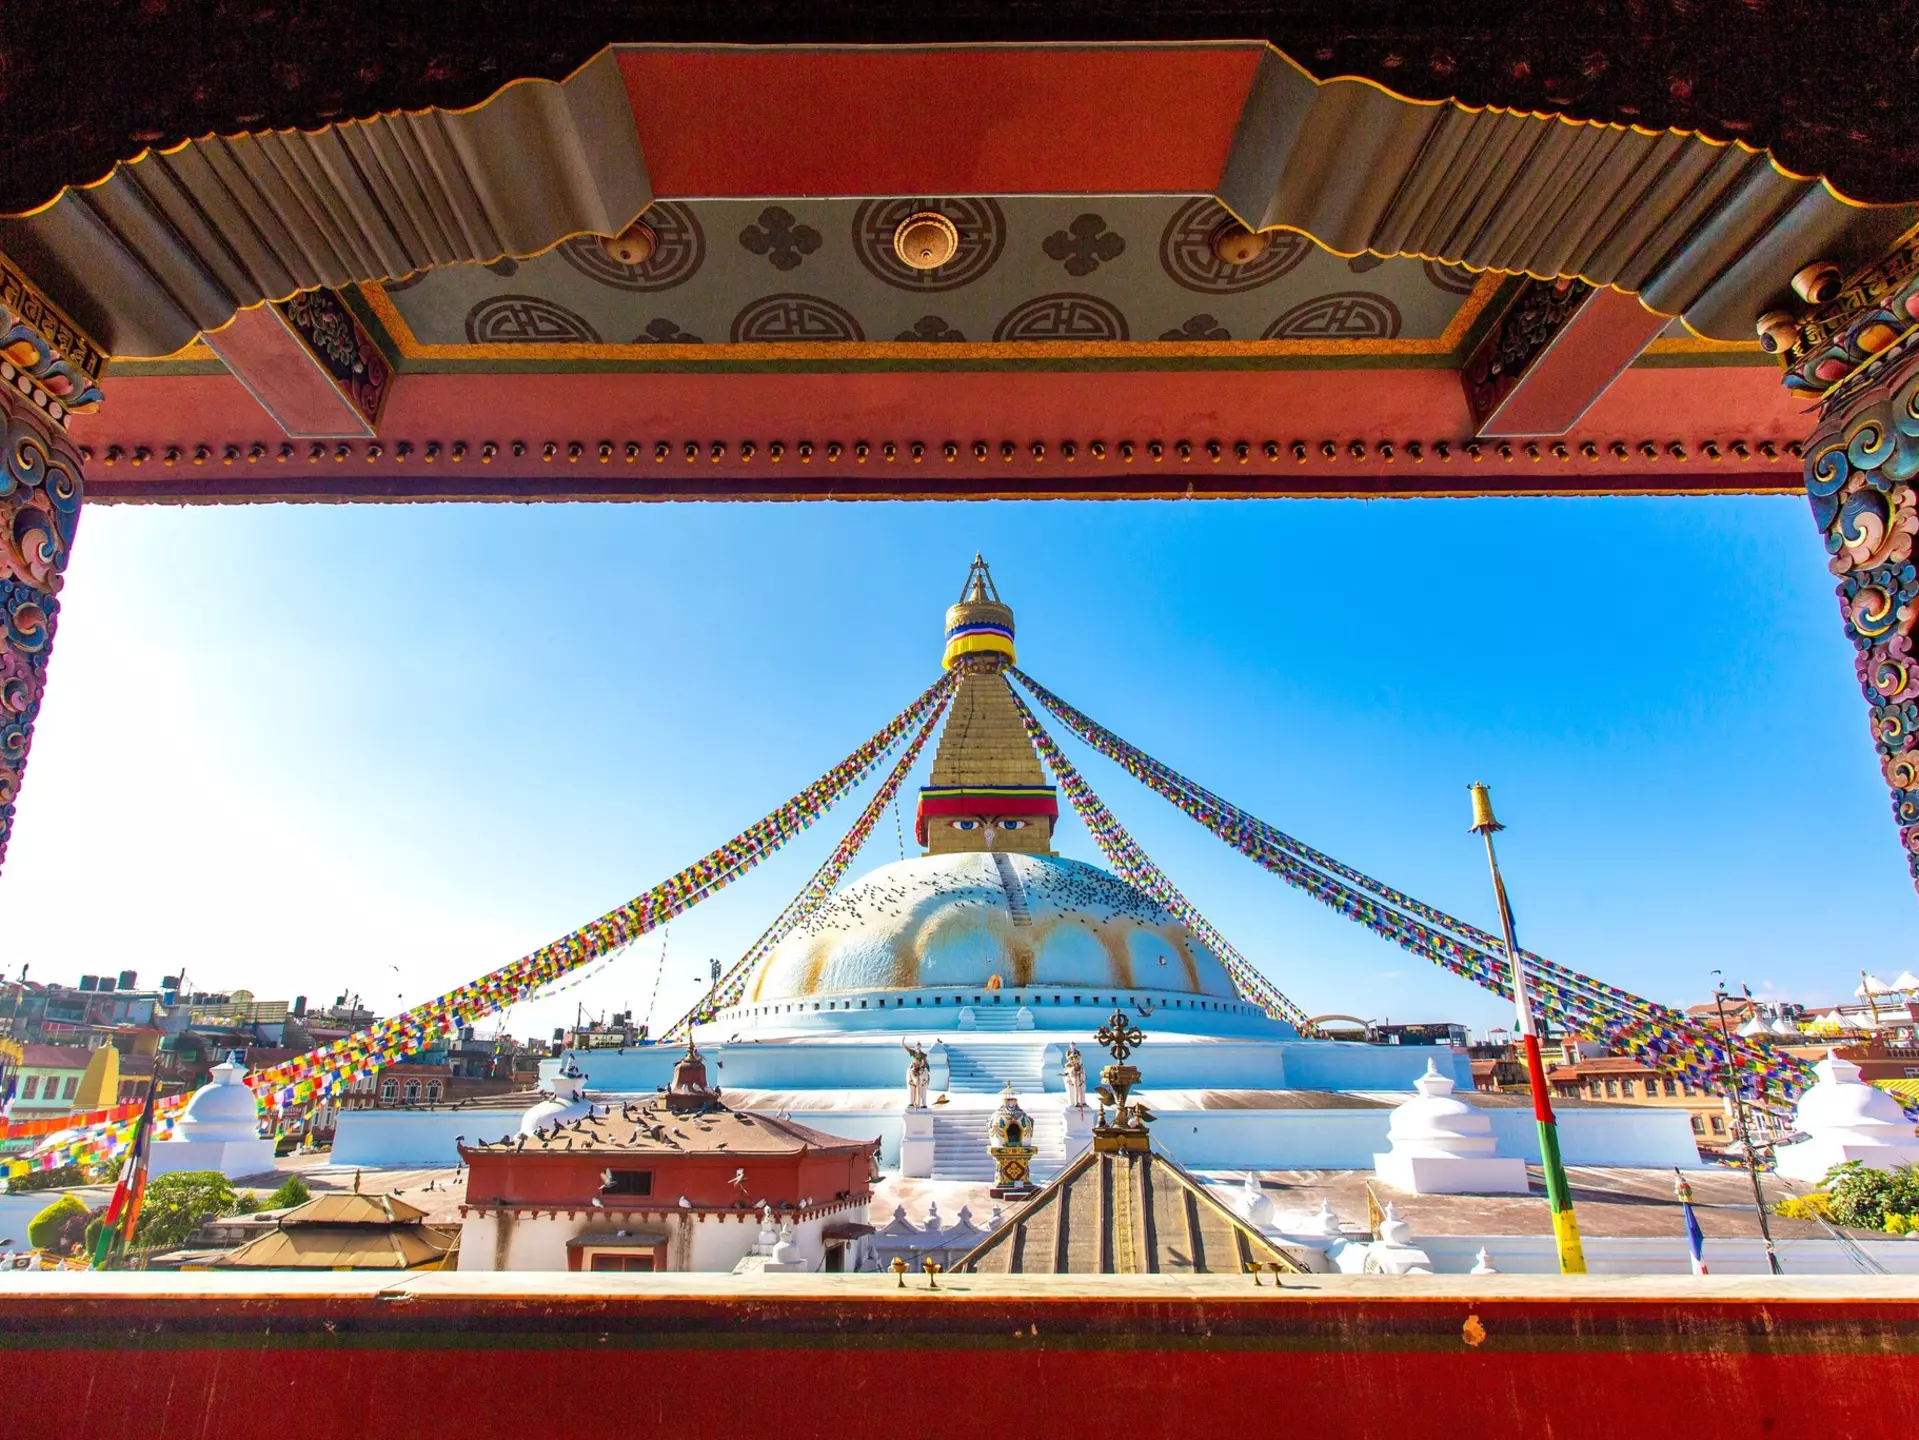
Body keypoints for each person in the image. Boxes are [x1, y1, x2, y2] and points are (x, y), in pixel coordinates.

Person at [902, 1040, 932, 1110]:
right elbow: (908, 1050)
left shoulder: (923, 1054)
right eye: (917, 1045)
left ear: (920, 1046)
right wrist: (904, 1045)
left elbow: (925, 1061)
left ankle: (923, 1103)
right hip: (914, 1071)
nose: (918, 1047)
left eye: (919, 1045)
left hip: (921, 1071)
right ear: (915, 1046)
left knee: (923, 1081)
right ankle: (911, 1102)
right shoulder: (914, 1052)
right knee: (911, 1073)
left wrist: (924, 1064)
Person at [1062, 1042, 1086, 1108]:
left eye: (1073, 1045)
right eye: (1071, 1045)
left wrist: (1077, 1059)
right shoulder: (1068, 1051)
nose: (1072, 1046)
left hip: (1077, 1066)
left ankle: (1082, 1101)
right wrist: (1072, 1056)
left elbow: (1080, 1058)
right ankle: (1073, 1102)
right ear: (1070, 1046)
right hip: (1071, 1065)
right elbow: (1067, 1058)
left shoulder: (1078, 1051)